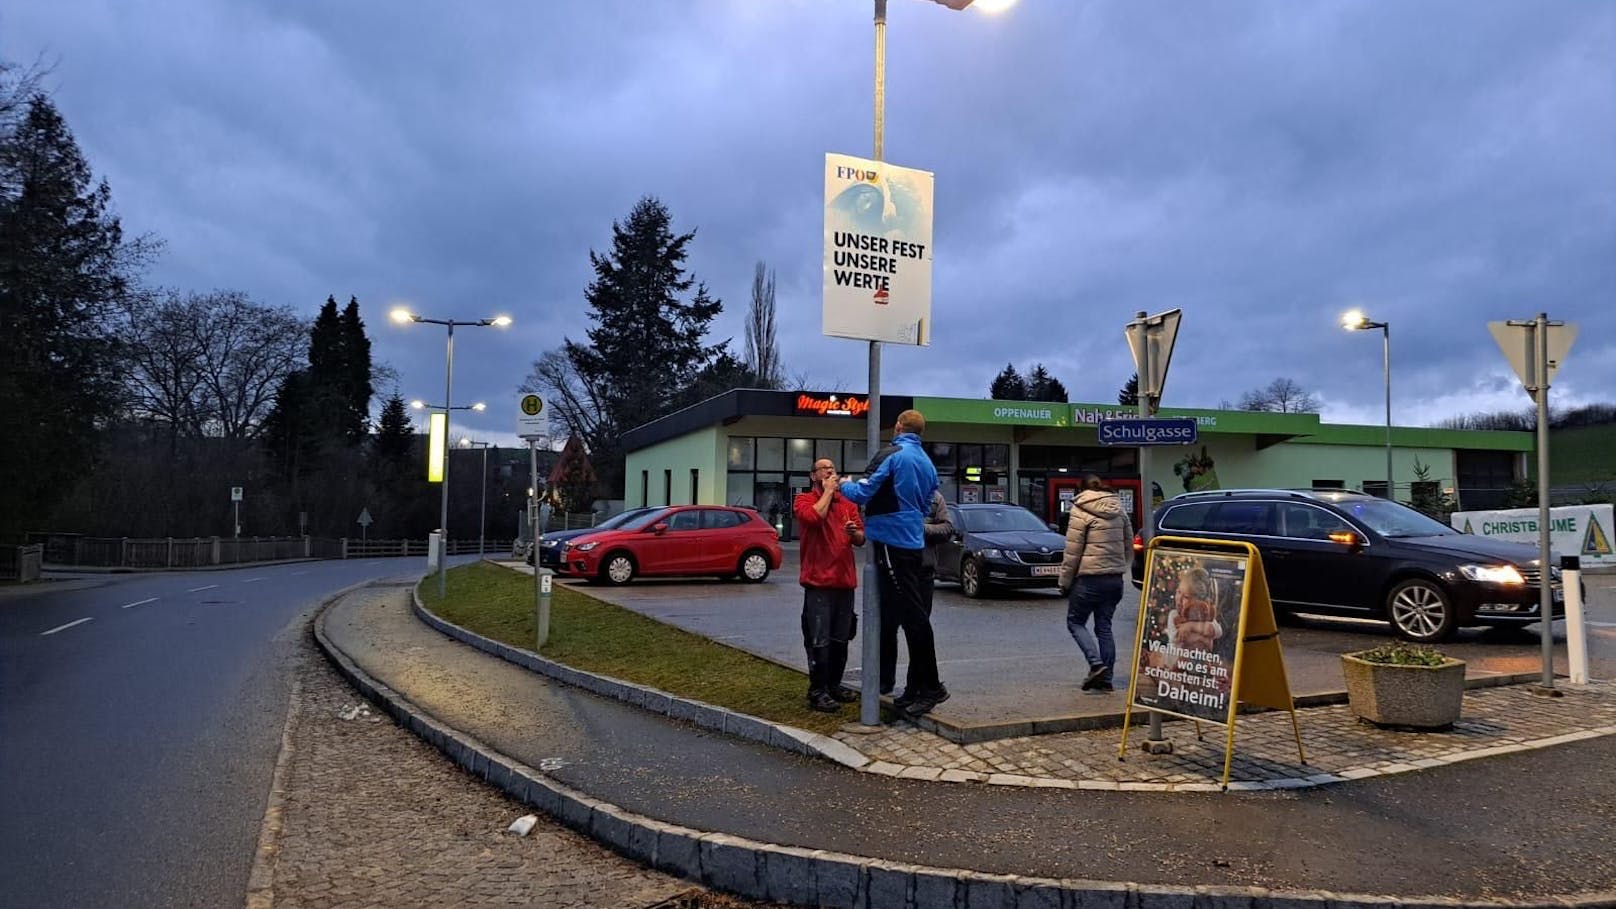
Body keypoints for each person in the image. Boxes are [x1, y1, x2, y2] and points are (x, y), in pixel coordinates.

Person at [839, 409, 946, 717]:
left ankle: (931, 687)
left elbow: (865, 491)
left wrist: (845, 484)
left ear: (898, 426)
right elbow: (929, 500)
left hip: (891, 541)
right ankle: (915, 688)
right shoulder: (926, 461)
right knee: (911, 615)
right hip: (911, 540)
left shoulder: (894, 454)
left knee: (913, 619)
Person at [793, 458, 866, 712]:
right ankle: (817, 690)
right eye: (824, 469)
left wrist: (853, 531)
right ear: (813, 475)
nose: (830, 471)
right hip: (818, 582)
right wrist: (827, 492)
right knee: (819, 640)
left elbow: (860, 538)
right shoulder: (803, 500)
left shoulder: (847, 503)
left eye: (833, 469)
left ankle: (834, 684)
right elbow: (814, 518)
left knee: (840, 638)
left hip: (844, 581)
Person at [1056, 474, 1133, 692]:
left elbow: (1072, 552)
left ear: (1081, 490)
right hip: (1114, 579)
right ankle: (1106, 679)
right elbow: (1129, 544)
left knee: (1075, 622)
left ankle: (1096, 664)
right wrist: (1120, 567)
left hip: (1089, 579)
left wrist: (1064, 582)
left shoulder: (1079, 511)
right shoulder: (1119, 510)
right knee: (1104, 627)